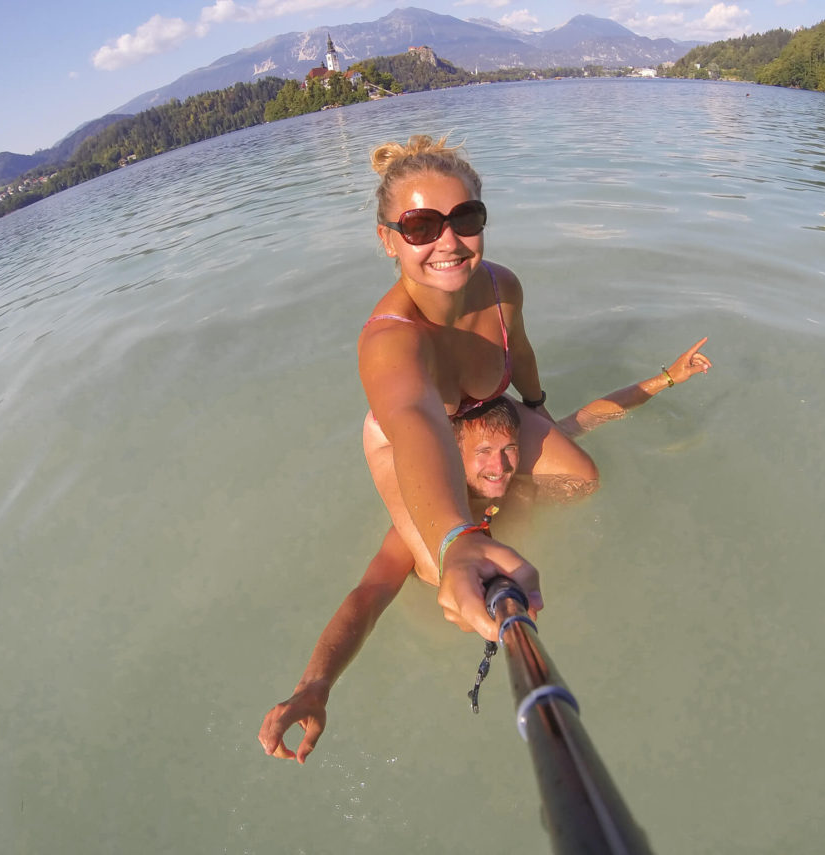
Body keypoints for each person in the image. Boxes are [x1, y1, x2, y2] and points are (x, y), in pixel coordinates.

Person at [259, 341, 710, 764]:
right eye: (485, 453)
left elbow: (588, 418)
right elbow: (369, 594)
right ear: (453, 456)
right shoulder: (415, 529)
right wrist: (316, 684)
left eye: (510, 449)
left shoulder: (524, 479)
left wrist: (666, 378)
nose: (501, 466)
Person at [358, 134, 601, 642]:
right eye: (421, 226)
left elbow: (524, 351)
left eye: (464, 219)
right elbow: (415, 421)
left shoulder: (500, 286)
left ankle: (495, 506)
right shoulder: (389, 340)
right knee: (433, 567)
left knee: (583, 479)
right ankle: (462, 530)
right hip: (410, 434)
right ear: (387, 240)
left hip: (487, 408)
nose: (448, 241)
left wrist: (537, 410)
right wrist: (456, 538)